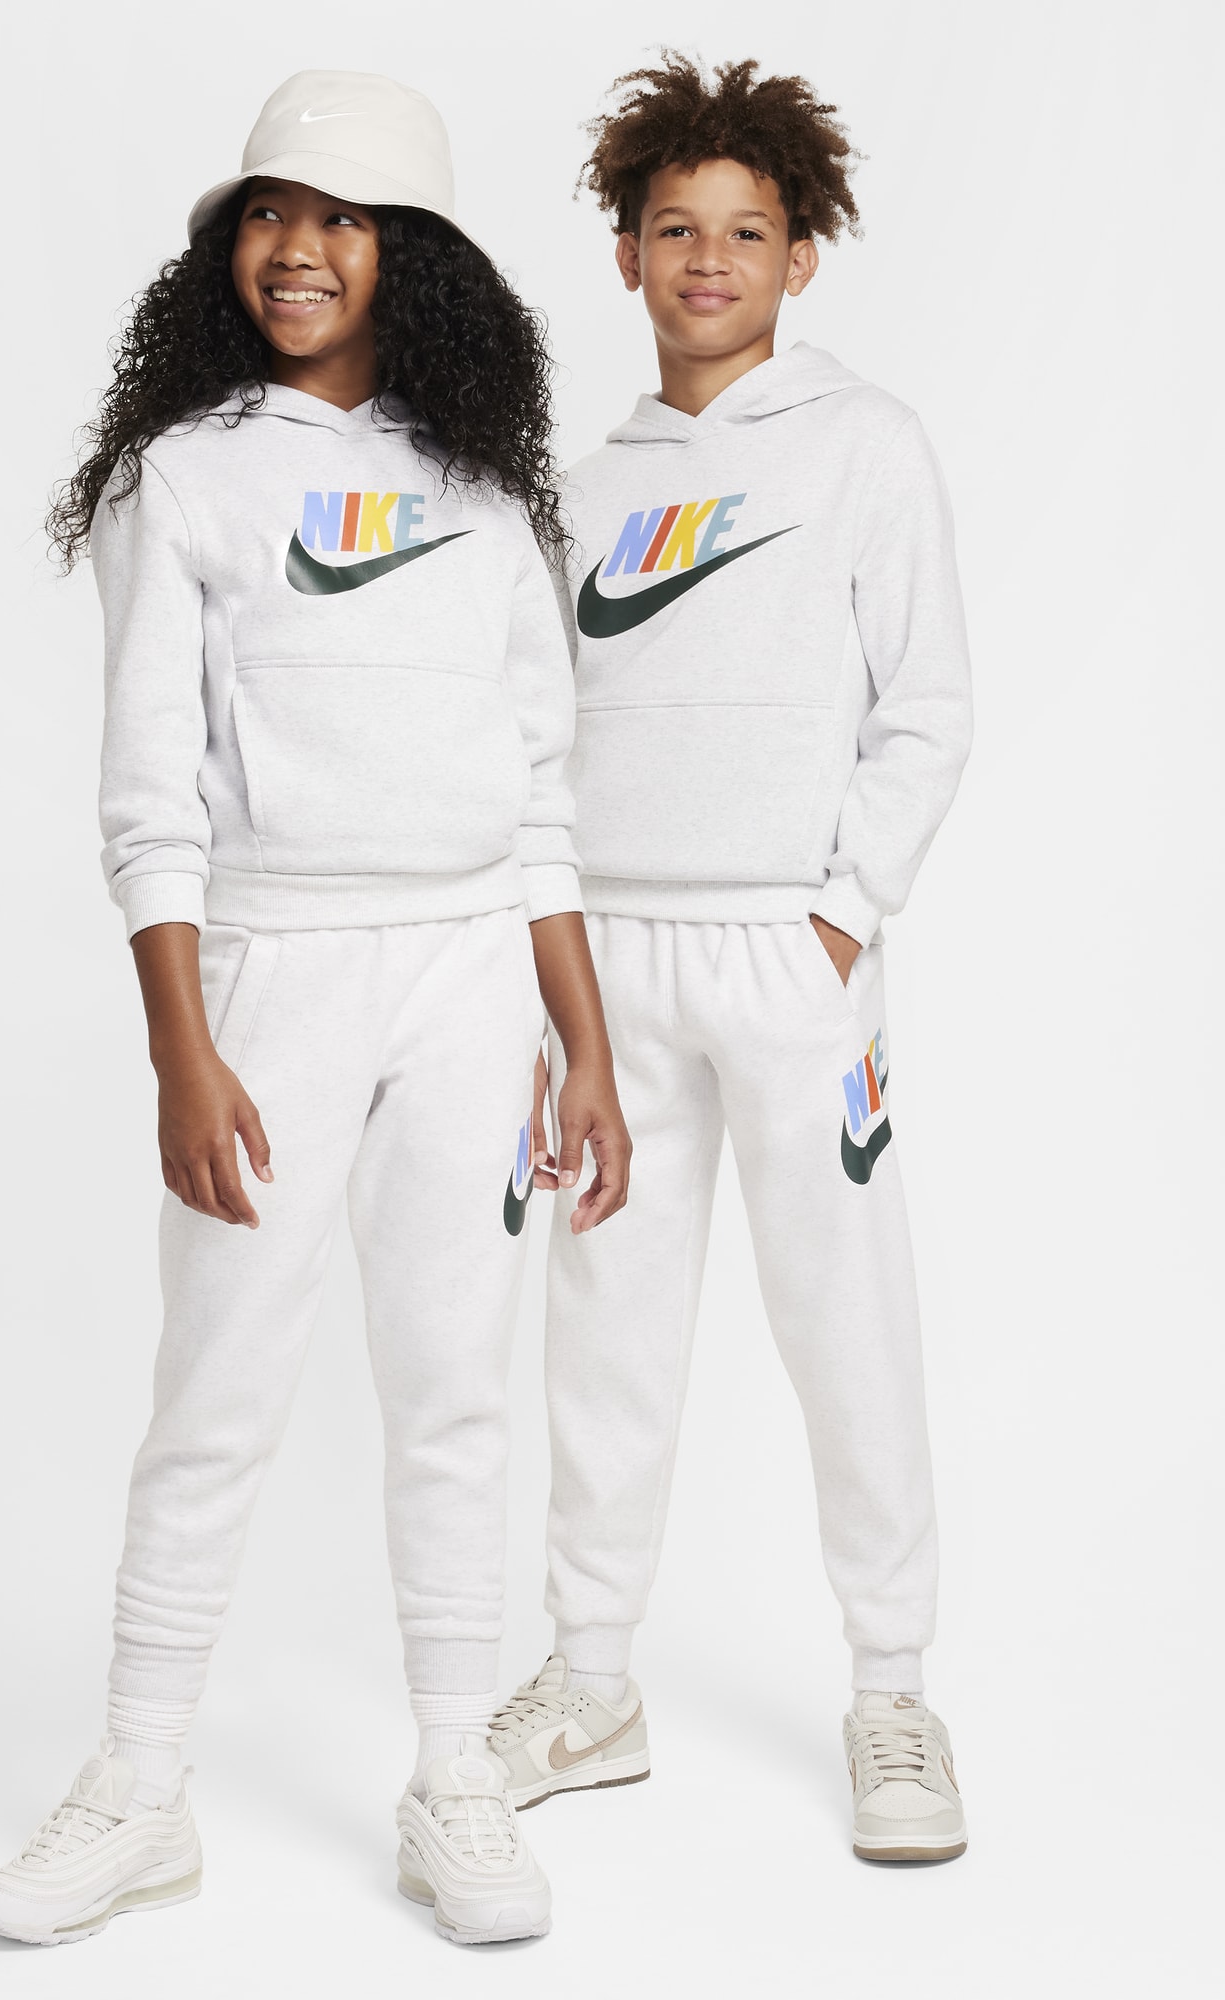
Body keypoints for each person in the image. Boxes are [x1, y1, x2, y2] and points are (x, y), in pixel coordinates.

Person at [0, 69, 630, 1948]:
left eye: (342, 217)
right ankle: (139, 1784)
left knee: (453, 1393)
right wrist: (182, 1049)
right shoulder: (184, 477)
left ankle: (455, 1775)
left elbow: (542, 796)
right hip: (272, 980)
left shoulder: (485, 491)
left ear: (414, 256)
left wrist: (582, 1040)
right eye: (269, 210)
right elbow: (147, 798)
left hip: (471, 983)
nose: (297, 248)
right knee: (217, 1394)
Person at [487, 55, 974, 1863]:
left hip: (791, 960)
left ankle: (894, 1690)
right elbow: (534, 736)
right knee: (603, 1329)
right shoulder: (579, 485)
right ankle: (591, 1679)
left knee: (849, 1325)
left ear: (801, 255)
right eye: (676, 229)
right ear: (626, 254)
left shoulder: (867, 446)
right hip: (607, 972)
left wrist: (840, 915)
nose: (709, 260)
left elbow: (929, 707)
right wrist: (557, 976)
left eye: (746, 233)